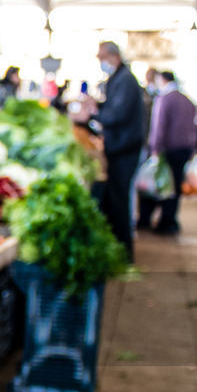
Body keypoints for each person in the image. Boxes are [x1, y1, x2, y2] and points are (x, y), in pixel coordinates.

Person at [80, 41, 145, 260]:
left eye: (101, 57)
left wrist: (93, 112)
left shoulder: (125, 80)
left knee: (119, 201)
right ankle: (118, 250)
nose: (100, 62)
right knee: (115, 200)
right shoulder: (119, 79)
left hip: (125, 150)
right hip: (121, 148)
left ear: (113, 56)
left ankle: (124, 254)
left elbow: (116, 115)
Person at [142, 71, 196, 234]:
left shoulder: (165, 99)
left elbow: (159, 127)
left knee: (161, 186)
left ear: (162, 80)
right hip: (184, 149)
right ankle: (169, 220)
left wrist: (155, 149)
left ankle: (160, 221)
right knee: (174, 186)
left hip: (168, 150)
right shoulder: (186, 99)